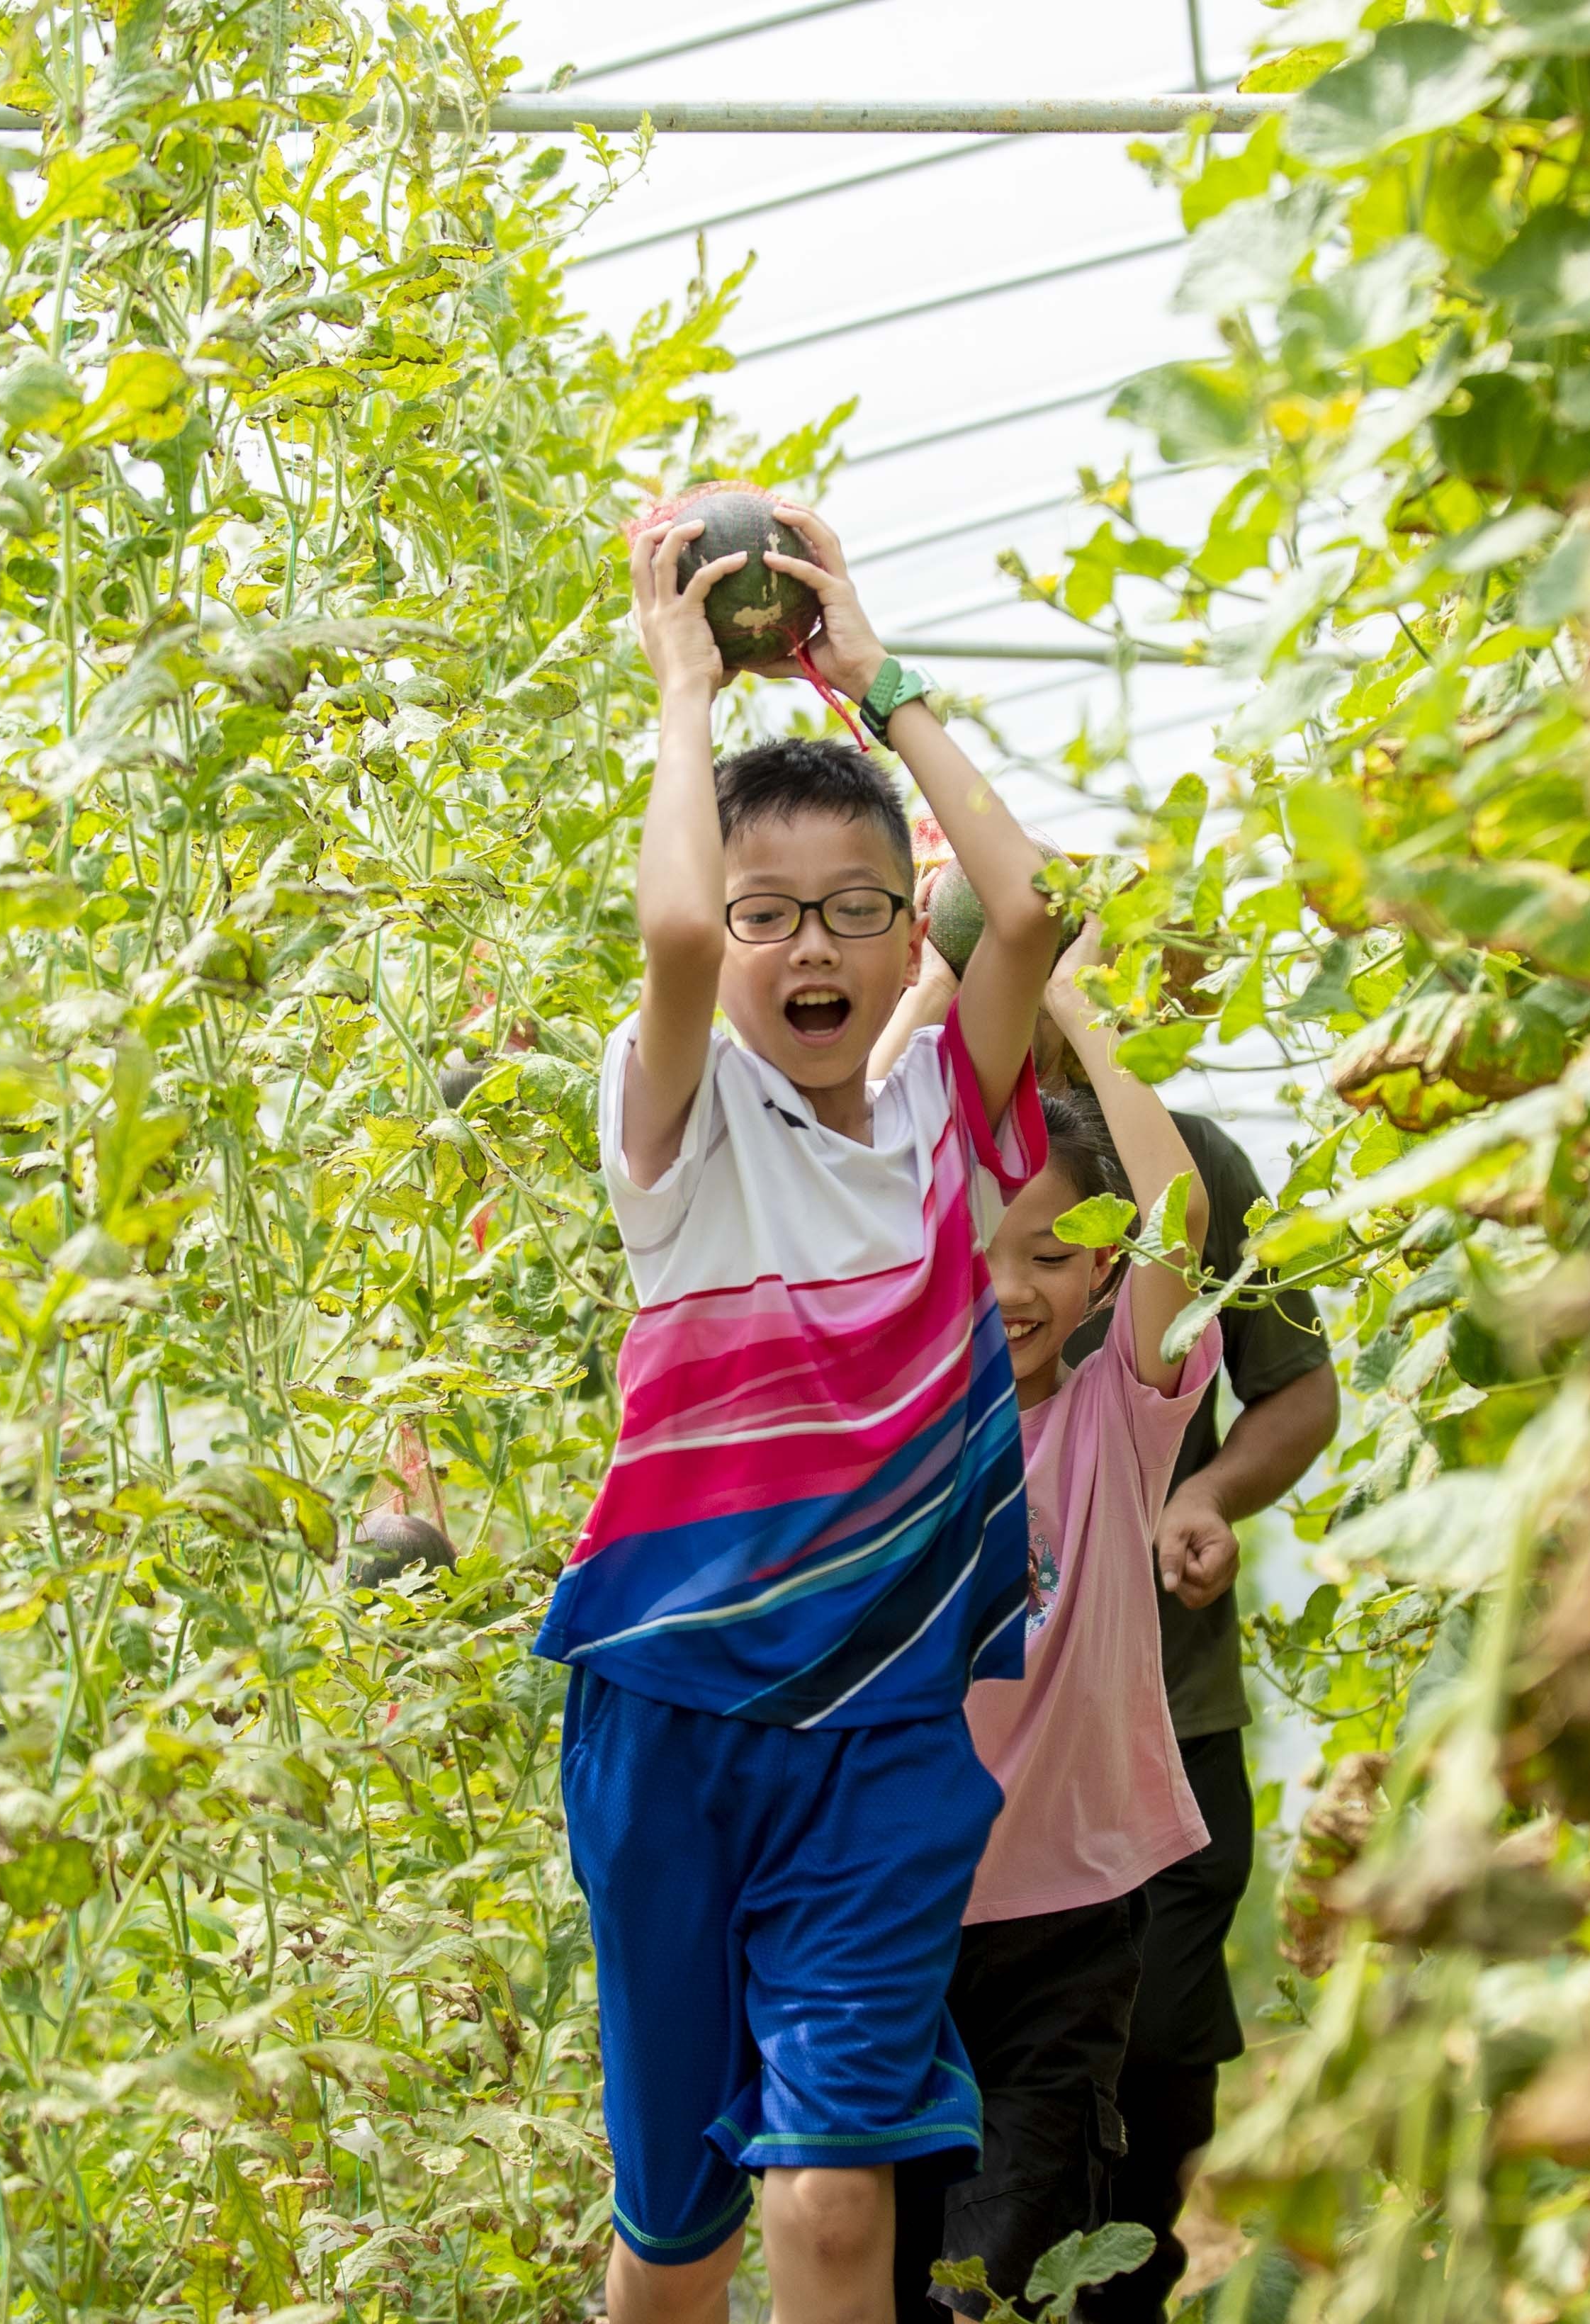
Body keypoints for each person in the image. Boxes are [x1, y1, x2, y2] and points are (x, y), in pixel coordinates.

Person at [541, 499, 1064, 2324]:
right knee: (676, 2233)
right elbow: (676, 929)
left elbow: (1031, 908)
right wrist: (684, 687)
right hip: (672, 1719)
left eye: (856, 912)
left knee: (835, 2208)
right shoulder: (676, 1123)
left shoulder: (937, 1103)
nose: (808, 948)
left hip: (884, 1733)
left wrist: (872, 678)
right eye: (778, 917)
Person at [869, 955, 1339, 2324]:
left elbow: (1178, 1227)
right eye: (970, 1257)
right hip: (907, 1904)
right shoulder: (893, 1416)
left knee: (1012, 2257)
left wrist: (1080, 1008)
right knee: (887, 2243)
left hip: (1072, 1910)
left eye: (1052, 1257)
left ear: (1102, 1269)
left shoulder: (1108, 1418)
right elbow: (848, 1177)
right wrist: (924, 989)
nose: (1008, 1288)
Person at [1069, 1112, 1335, 2324]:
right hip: (971, 1735)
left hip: (1168, 1716)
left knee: (1159, 2066)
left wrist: (1214, 1494)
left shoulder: (1191, 1165)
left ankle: (1129, 2299)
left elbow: (1300, 1393)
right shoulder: (895, 1131)